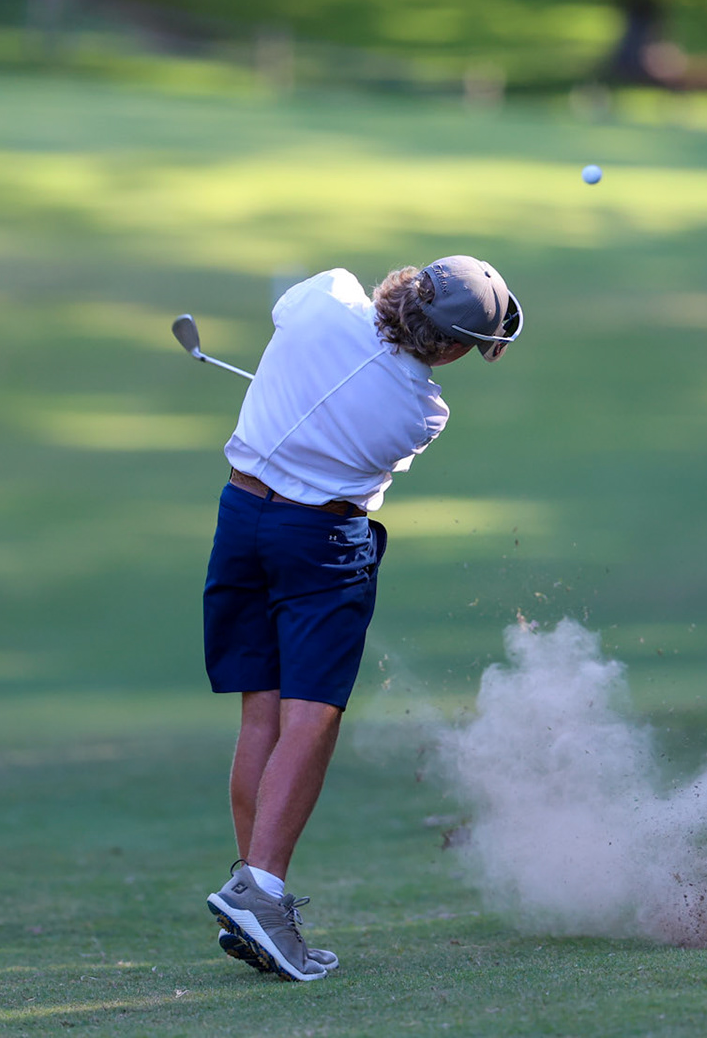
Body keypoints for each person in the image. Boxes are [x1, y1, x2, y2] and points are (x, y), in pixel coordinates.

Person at [201, 256, 523, 982]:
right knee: (311, 717)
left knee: (263, 713)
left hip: (240, 518)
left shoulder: (326, 296)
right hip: (318, 545)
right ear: (445, 347)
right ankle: (261, 893)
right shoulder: (423, 412)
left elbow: (299, 326)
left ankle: (253, 892)